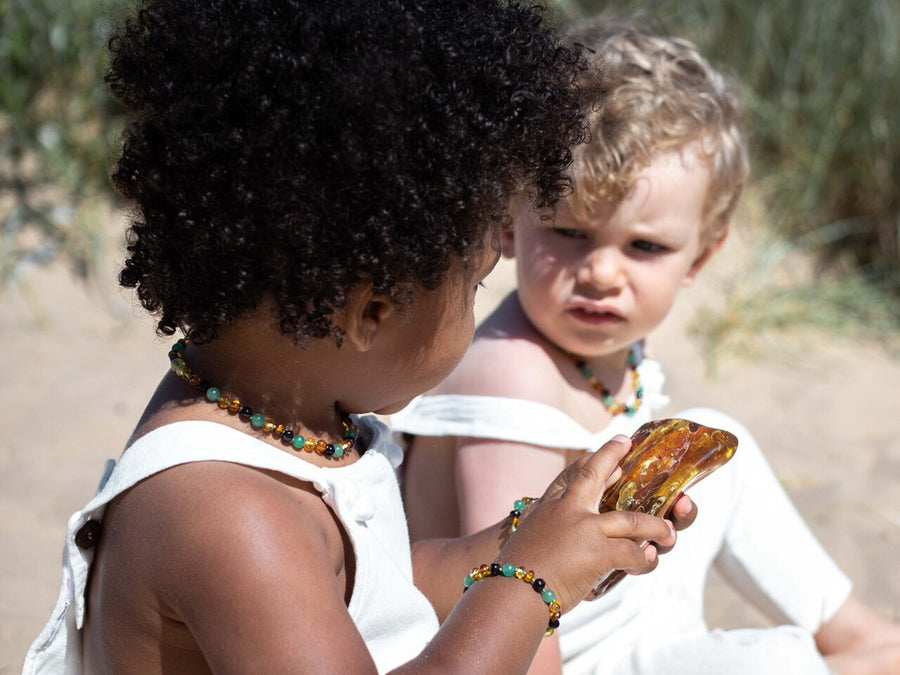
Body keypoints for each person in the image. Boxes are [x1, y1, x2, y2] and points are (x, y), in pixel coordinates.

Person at [21, 3, 699, 674]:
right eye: (475, 285)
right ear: (372, 312)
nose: (475, 304)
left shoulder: (285, 420)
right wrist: (529, 580)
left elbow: (379, 588)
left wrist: (533, 538)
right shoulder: (230, 511)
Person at [392, 17, 900, 675]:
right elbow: (507, 592)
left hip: (619, 606)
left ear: (701, 255)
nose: (603, 272)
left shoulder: (604, 342)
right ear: (509, 223)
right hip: (561, 650)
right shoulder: (512, 375)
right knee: (776, 662)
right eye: (569, 232)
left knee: (718, 439)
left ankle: (862, 632)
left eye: (645, 247)